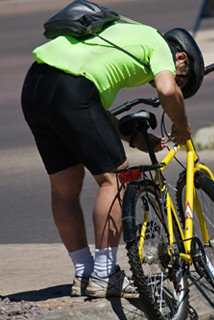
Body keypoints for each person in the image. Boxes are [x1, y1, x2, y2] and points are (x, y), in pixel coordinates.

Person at [21, 21, 204, 298]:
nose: (170, 82)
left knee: (64, 186)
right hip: (72, 89)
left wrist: (133, 139)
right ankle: (105, 275)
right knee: (116, 178)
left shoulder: (120, 37)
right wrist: (182, 124)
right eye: (182, 81)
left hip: (35, 86)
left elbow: (90, 112)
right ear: (180, 57)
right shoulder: (157, 44)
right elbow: (167, 92)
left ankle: (84, 272)